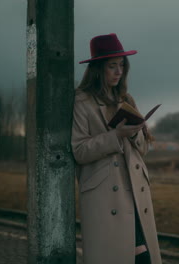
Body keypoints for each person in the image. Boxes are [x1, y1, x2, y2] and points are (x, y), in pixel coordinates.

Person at [71, 33, 162, 264]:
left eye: (121, 65)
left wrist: (137, 131)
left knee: (144, 257)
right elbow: (79, 150)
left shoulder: (126, 98)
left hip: (134, 189)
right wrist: (116, 136)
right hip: (107, 196)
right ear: (97, 69)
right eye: (112, 66)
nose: (118, 71)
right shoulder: (82, 101)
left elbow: (142, 151)